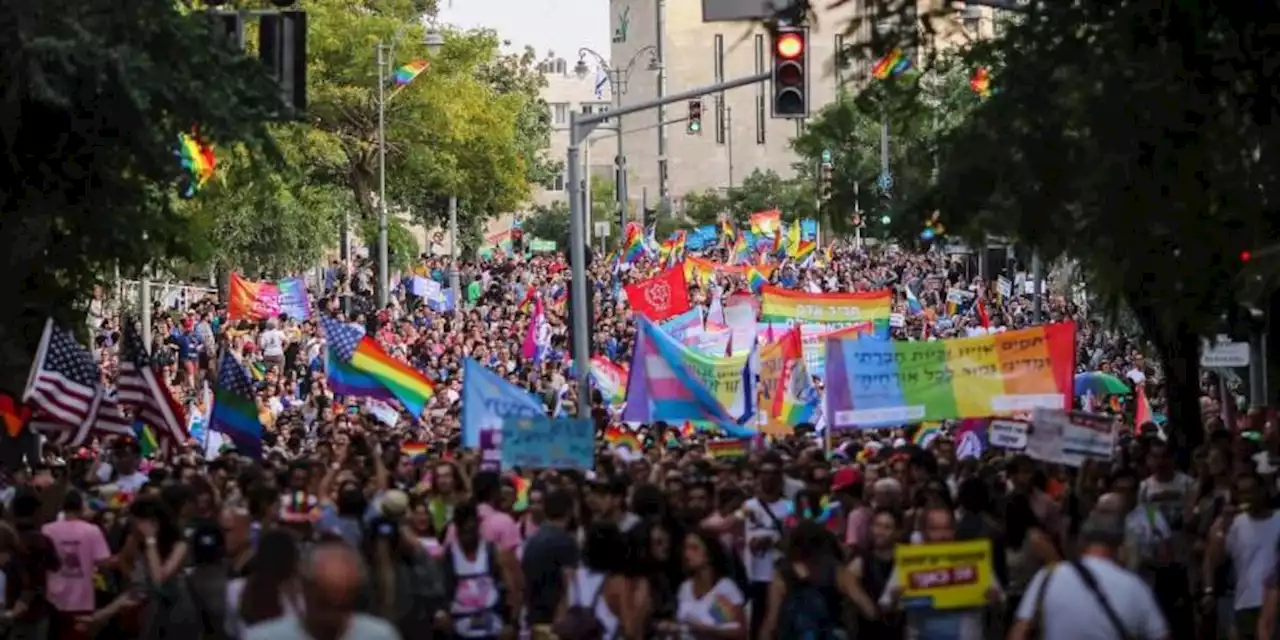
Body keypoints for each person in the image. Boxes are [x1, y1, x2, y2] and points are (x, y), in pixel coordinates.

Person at [1009, 509, 1169, 640]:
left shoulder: (1047, 576)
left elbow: (1019, 632)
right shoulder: (1135, 588)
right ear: (1121, 548)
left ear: (1081, 543)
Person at [243, 542, 400, 640]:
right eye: (324, 604)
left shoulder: (380, 636)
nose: (332, 618)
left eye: (342, 607)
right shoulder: (263, 637)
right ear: (305, 590)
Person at [43, 490, 111, 639]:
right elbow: (103, 561)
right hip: (82, 599)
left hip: (52, 597)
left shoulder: (47, 530)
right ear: (81, 507)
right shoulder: (92, 531)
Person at [522, 489, 579, 639]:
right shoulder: (565, 541)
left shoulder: (532, 540)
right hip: (555, 621)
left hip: (534, 617)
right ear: (569, 511)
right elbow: (570, 584)